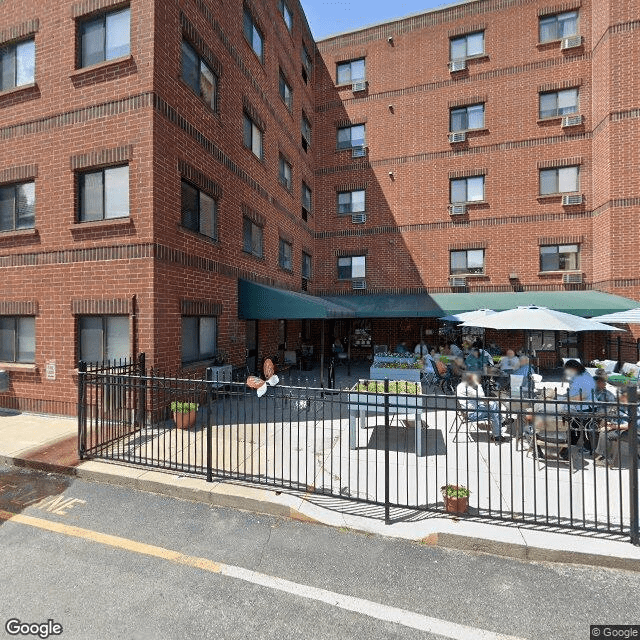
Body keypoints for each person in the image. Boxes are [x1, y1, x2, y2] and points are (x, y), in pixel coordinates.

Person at [456, 372, 507, 443]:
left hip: (468, 410)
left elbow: (479, 399)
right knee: (493, 408)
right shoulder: (467, 387)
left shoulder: (461, 385)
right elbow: (482, 396)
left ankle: (500, 423)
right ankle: (497, 435)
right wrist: (479, 385)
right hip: (472, 414)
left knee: (493, 406)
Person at [562, 359, 597, 455]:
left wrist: (569, 400)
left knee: (586, 428)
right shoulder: (578, 376)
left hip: (586, 407)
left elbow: (584, 395)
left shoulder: (584, 377)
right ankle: (571, 444)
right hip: (578, 407)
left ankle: (589, 448)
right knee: (574, 425)